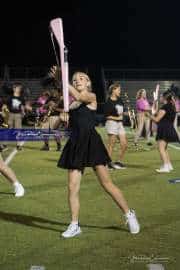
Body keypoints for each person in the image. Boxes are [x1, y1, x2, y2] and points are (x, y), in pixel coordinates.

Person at [57, 72, 140, 238]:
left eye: (81, 78)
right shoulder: (72, 105)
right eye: (74, 79)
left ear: (88, 82)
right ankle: (74, 224)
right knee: (72, 187)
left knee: (107, 184)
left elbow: (80, 96)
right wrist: (61, 117)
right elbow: (58, 125)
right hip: (76, 143)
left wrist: (64, 81)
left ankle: (129, 213)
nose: (77, 81)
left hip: (92, 142)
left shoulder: (90, 96)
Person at [146, 92, 179, 173]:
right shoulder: (172, 107)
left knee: (161, 148)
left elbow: (157, 120)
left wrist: (148, 115)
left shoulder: (165, 107)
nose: (160, 97)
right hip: (169, 128)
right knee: (164, 148)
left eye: (161, 96)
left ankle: (165, 167)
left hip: (164, 129)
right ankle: (168, 165)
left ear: (164, 98)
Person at [104, 83, 128, 169]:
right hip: (111, 123)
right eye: (118, 89)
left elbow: (121, 111)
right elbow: (107, 116)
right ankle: (108, 163)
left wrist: (124, 113)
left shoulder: (120, 100)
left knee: (124, 144)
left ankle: (119, 161)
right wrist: (118, 117)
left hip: (119, 124)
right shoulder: (108, 102)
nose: (120, 91)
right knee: (111, 144)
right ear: (113, 90)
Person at [7, 83, 25, 150]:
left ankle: (18, 145)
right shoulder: (10, 97)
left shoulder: (21, 97)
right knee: (9, 129)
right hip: (10, 114)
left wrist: (23, 112)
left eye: (20, 88)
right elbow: (6, 106)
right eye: (18, 88)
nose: (19, 89)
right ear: (14, 89)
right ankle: (5, 144)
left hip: (18, 115)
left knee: (18, 130)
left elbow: (22, 106)